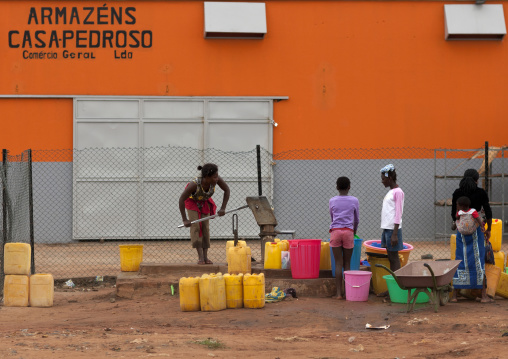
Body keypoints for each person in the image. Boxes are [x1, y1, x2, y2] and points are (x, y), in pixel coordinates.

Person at [450, 168, 494, 303]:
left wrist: (461, 222)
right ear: (476, 180)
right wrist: (488, 229)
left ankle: (455, 295)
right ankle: (484, 295)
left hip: (461, 234)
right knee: (478, 261)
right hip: (476, 233)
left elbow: (453, 214)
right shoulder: (480, 193)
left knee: (460, 260)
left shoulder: (457, 193)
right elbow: (488, 211)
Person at [179, 163, 230, 265]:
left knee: (205, 228)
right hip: (191, 202)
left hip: (204, 201)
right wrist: (185, 219)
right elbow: (181, 200)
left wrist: (223, 208)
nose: (217, 179)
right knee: (196, 227)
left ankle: (206, 257)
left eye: (217, 176)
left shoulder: (216, 179)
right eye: (214, 177)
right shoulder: (194, 184)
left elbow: (227, 190)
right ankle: (201, 257)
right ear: (207, 177)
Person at [329, 176, 360, 299]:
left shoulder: (332, 200)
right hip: (348, 232)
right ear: (349, 187)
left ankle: (338, 294)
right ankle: (348, 293)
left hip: (335, 232)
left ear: (337, 187)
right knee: (347, 263)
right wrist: (354, 230)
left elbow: (332, 217)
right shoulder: (354, 200)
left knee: (338, 263)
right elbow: (356, 219)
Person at [379, 164, 405, 297]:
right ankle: (392, 289)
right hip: (387, 229)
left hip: (393, 231)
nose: (382, 180)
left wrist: (395, 233)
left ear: (389, 178)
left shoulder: (398, 192)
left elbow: (398, 213)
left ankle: (397, 289)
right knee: (391, 258)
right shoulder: (390, 192)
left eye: (383, 178)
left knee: (394, 259)